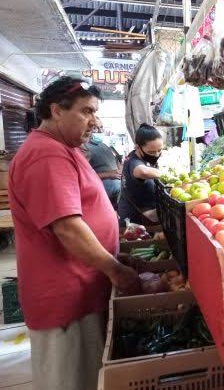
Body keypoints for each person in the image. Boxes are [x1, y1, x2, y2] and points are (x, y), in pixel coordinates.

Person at [8, 76, 141, 390]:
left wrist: (110, 254)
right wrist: (114, 268)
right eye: (86, 111)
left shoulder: (59, 149)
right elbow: (68, 228)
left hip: (81, 289)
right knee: (71, 381)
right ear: (56, 111)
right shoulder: (46, 155)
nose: (94, 121)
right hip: (66, 299)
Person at [117, 123, 164, 226]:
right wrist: (166, 175)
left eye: (159, 150)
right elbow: (142, 171)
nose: (156, 155)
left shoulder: (138, 156)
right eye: (151, 152)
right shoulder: (133, 161)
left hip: (142, 215)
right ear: (137, 147)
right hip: (134, 222)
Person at [82, 123, 122, 208]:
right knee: (118, 186)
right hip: (102, 183)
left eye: (101, 127)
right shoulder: (84, 148)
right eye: (95, 128)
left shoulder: (103, 145)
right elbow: (84, 176)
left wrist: (121, 169)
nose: (100, 131)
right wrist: (108, 174)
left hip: (116, 178)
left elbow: (116, 160)